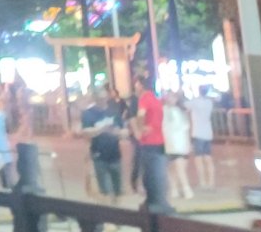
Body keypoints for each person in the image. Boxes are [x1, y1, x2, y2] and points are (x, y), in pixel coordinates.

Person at [81, 87, 123, 199]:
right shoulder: (88, 114)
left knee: (118, 190)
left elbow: (124, 131)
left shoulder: (114, 112)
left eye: (104, 97)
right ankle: (107, 203)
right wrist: (102, 129)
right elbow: (86, 132)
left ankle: (116, 204)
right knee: (104, 190)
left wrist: (118, 132)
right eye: (100, 98)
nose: (103, 100)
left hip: (115, 154)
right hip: (98, 155)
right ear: (95, 99)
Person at [131, 73, 166, 203]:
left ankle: (151, 197)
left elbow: (141, 115)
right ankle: (159, 196)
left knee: (147, 170)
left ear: (141, 85)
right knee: (158, 170)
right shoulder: (156, 99)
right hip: (159, 139)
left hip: (148, 140)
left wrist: (140, 129)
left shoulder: (144, 98)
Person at [162, 89, 193, 201]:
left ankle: (175, 189)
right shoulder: (164, 110)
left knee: (179, 168)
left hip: (182, 143)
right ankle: (185, 189)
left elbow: (187, 127)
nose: (170, 99)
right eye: (168, 97)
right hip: (171, 143)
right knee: (177, 167)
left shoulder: (182, 110)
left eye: (172, 97)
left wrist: (189, 142)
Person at [186, 84, 217, 193]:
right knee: (208, 158)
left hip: (198, 133)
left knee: (199, 159)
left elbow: (184, 106)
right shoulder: (209, 102)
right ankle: (211, 182)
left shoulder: (195, 102)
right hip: (208, 133)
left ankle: (203, 182)